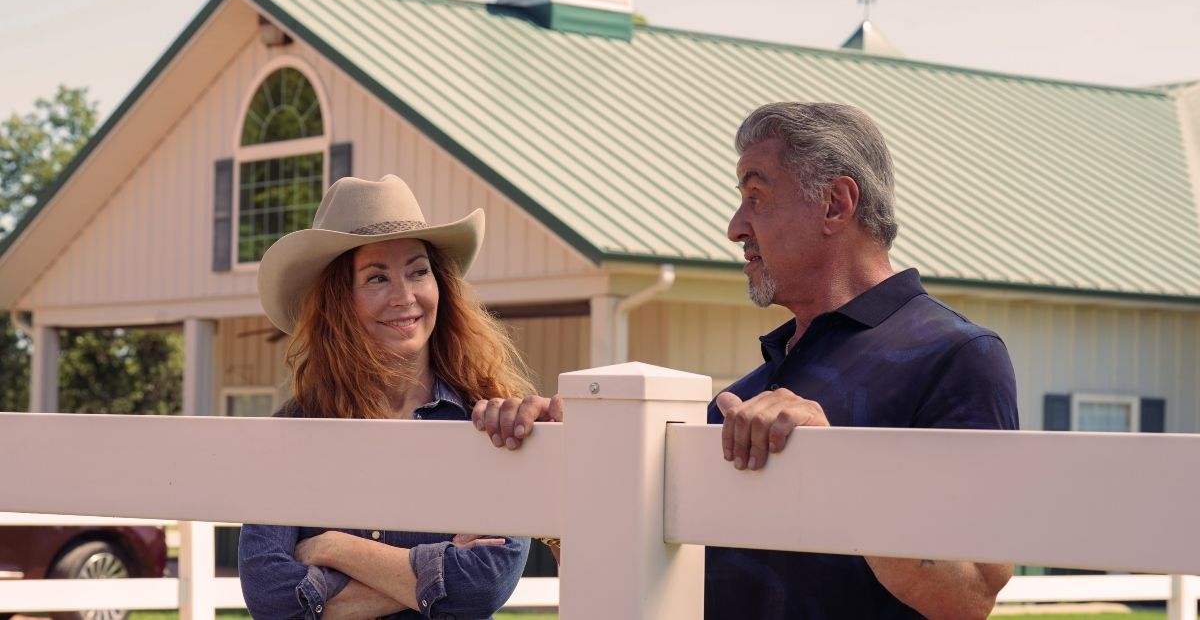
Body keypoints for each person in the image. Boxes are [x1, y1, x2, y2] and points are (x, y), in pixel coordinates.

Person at [474, 102, 1020, 619]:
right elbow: (638, 576)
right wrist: (570, 467)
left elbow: (970, 596)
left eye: (756, 196)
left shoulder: (957, 356)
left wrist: (834, 463)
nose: (735, 227)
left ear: (836, 204)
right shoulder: (748, 391)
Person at [239, 175, 533, 620]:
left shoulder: (487, 419)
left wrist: (335, 549)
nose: (405, 296)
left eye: (418, 271)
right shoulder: (294, 431)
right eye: (377, 277)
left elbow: (485, 583)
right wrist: (438, 570)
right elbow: (273, 600)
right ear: (338, 302)